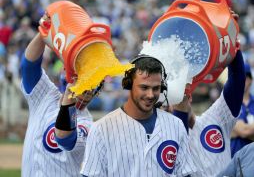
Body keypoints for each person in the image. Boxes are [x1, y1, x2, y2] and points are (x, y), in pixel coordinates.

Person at [80, 55, 197, 177]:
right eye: (144, 87)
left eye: (156, 88)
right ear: (129, 84)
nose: (150, 95)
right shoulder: (101, 129)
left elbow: (185, 173)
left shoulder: (175, 125)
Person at [20, 32, 94, 177]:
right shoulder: (46, 96)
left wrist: (72, 89)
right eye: (85, 84)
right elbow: (28, 66)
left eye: (93, 86)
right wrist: (44, 31)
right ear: (67, 73)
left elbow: (64, 138)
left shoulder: (87, 124)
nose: (89, 93)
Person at [172, 49, 245, 177]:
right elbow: (180, 127)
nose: (172, 108)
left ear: (190, 98)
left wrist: (233, 45)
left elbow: (237, 78)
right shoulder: (169, 141)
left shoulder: (215, 118)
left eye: (179, 98)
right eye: (167, 106)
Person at [230, 62, 254, 157]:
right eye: (237, 77)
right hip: (235, 159)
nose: (240, 81)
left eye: (244, 77)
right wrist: (245, 131)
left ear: (250, 80)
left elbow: (243, 131)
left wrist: (240, 132)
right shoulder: (230, 104)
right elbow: (243, 131)